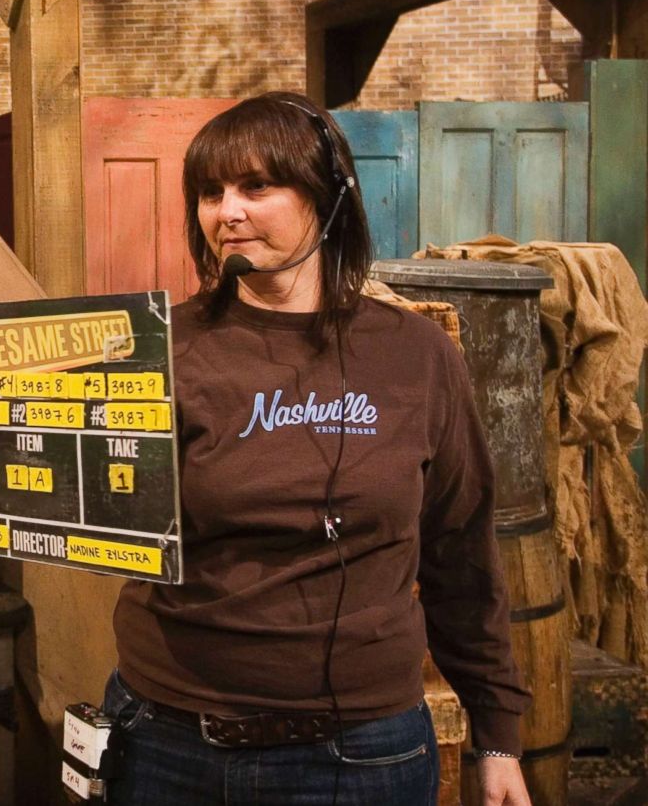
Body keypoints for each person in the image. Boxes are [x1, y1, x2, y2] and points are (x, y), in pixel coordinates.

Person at [101, 92, 532, 806]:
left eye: (256, 186)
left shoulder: (417, 356)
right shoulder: (156, 347)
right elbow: (102, 507)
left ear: (329, 196)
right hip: (167, 738)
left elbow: (462, 553)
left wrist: (496, 734)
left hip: (360, 754)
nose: (226, 212)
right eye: (209, 193)